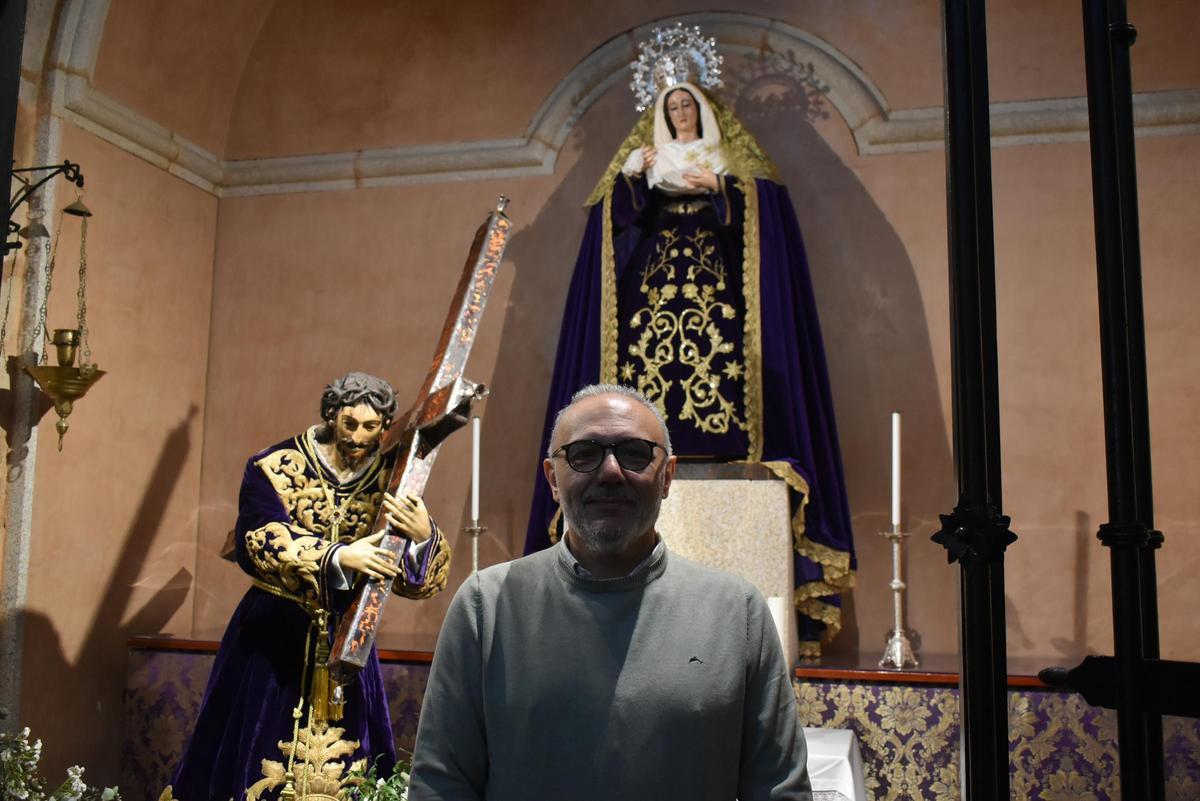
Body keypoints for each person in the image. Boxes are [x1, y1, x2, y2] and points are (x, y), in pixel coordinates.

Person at [525, 25, 855, 657]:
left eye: (686, 106)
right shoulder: (642, 160)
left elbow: (764, 223)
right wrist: (632, 180)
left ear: (702, 110)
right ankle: (646, 435)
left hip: (720, 306)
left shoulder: (733, 164)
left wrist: (722, 191)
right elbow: (610, 229)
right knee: (643, 388)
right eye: (669, 108)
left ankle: (718, 439)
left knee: (724, 375)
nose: (677, 114)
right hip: (651, 304)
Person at [410, 385, 811, 801]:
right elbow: (440, 787)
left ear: (668, 475)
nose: (611, 472)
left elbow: (780, 789)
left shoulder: (737, 613)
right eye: (584, 454)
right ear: (552, 477)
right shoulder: (485, 607)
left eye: (635, 452)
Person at [170, 372, 451, 801]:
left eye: (371, 428)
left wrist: (423, 534)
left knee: (355, 767)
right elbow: (259, 539)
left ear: (385, 425)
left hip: (349, 635)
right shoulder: (275, 465)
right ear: (331, 416)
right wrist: (339, 556)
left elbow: (424, 582)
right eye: (349, 424)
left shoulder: (394, 476)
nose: (359, 437)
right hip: (271, 636)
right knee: (249, 756)